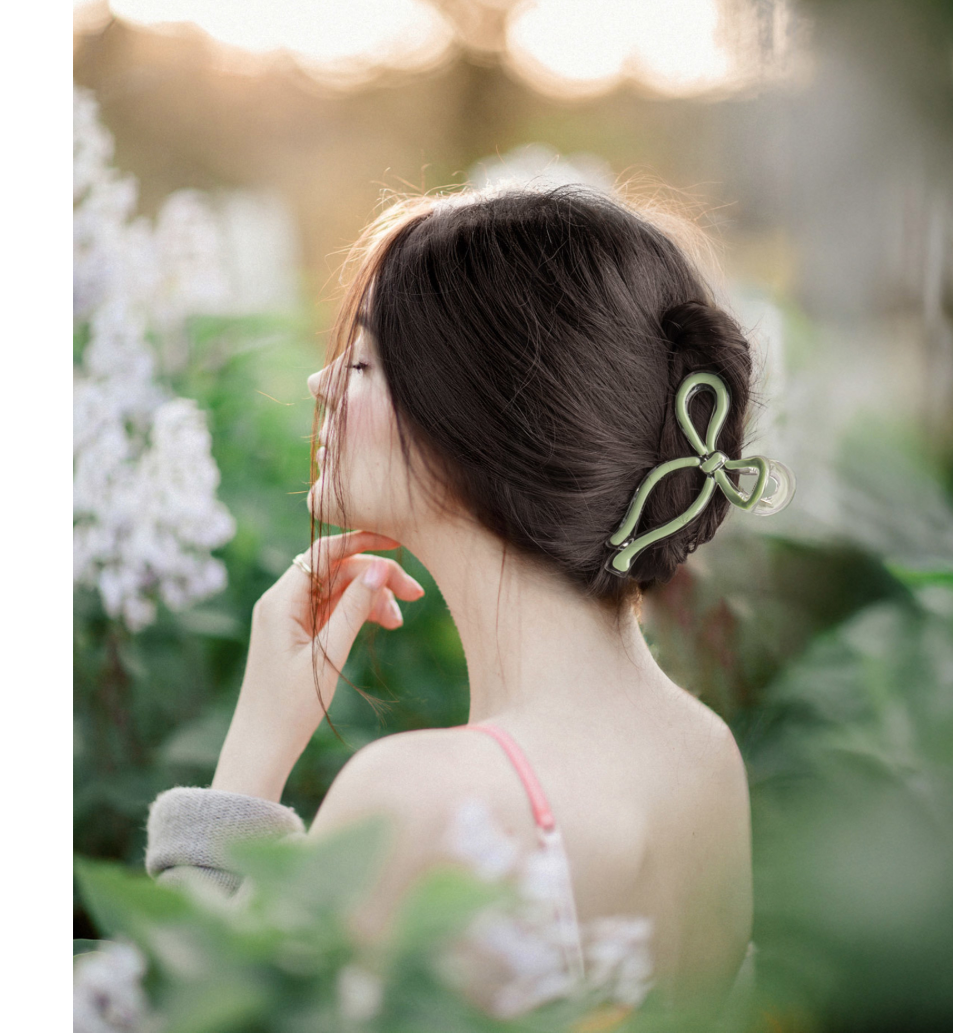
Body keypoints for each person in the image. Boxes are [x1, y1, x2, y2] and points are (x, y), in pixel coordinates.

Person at [146, 185, 792, 1024]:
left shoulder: (421, 798)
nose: (321, 380)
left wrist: (249, 763)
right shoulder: (703, 754)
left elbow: (187, 1012)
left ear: (481, 424)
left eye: (368, 363)